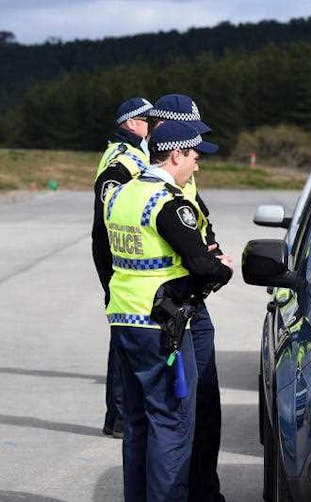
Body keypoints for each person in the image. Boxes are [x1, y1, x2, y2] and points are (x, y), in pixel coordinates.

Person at [104, 121, 233, 502]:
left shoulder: (120, 195)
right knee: (173, 424)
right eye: (195, 157)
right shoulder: (168, 203)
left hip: (124, 318)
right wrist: (223, 265)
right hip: (161, 324)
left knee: (138, 424)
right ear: (176, 154)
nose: (197, 166)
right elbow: (203, 265)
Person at [150, 93, 226, 502]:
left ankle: (204, 490)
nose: (199, 150)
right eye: (194, 139)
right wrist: (213, 266)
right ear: (166, 129)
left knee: (203, 410)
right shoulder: (142, 180)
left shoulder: (180, 174)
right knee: (177, 418)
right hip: (168, 310)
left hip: (190, 303)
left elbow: (200, 228)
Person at [92, 97, 154, 438]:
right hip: (117, 257)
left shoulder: (131, 151)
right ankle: (117, 417)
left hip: (117, 255)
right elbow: (110, 208)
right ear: (130, 123)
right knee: (124, 336)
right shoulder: (125, 157)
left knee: (126, 335)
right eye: (146, 119)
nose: (150, 124)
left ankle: (120, 415)